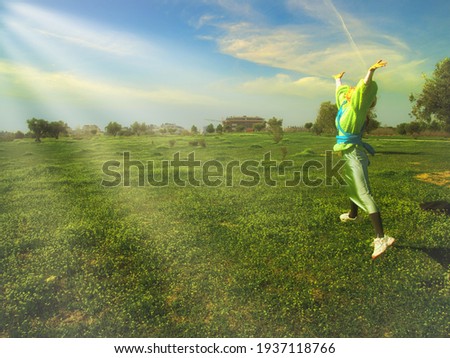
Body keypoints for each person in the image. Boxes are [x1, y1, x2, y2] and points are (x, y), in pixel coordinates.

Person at [333, 60, 395, 259]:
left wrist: (370, 72)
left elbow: (364, 89)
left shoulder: (357, 109)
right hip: (348, 152)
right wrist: (338, 80)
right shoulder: (345, 106)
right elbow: (339, 93)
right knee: (352, 184)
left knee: (364, 192)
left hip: (355, 155)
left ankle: (381, 238)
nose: (349, 90)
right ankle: (353, 215)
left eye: (352, 90)